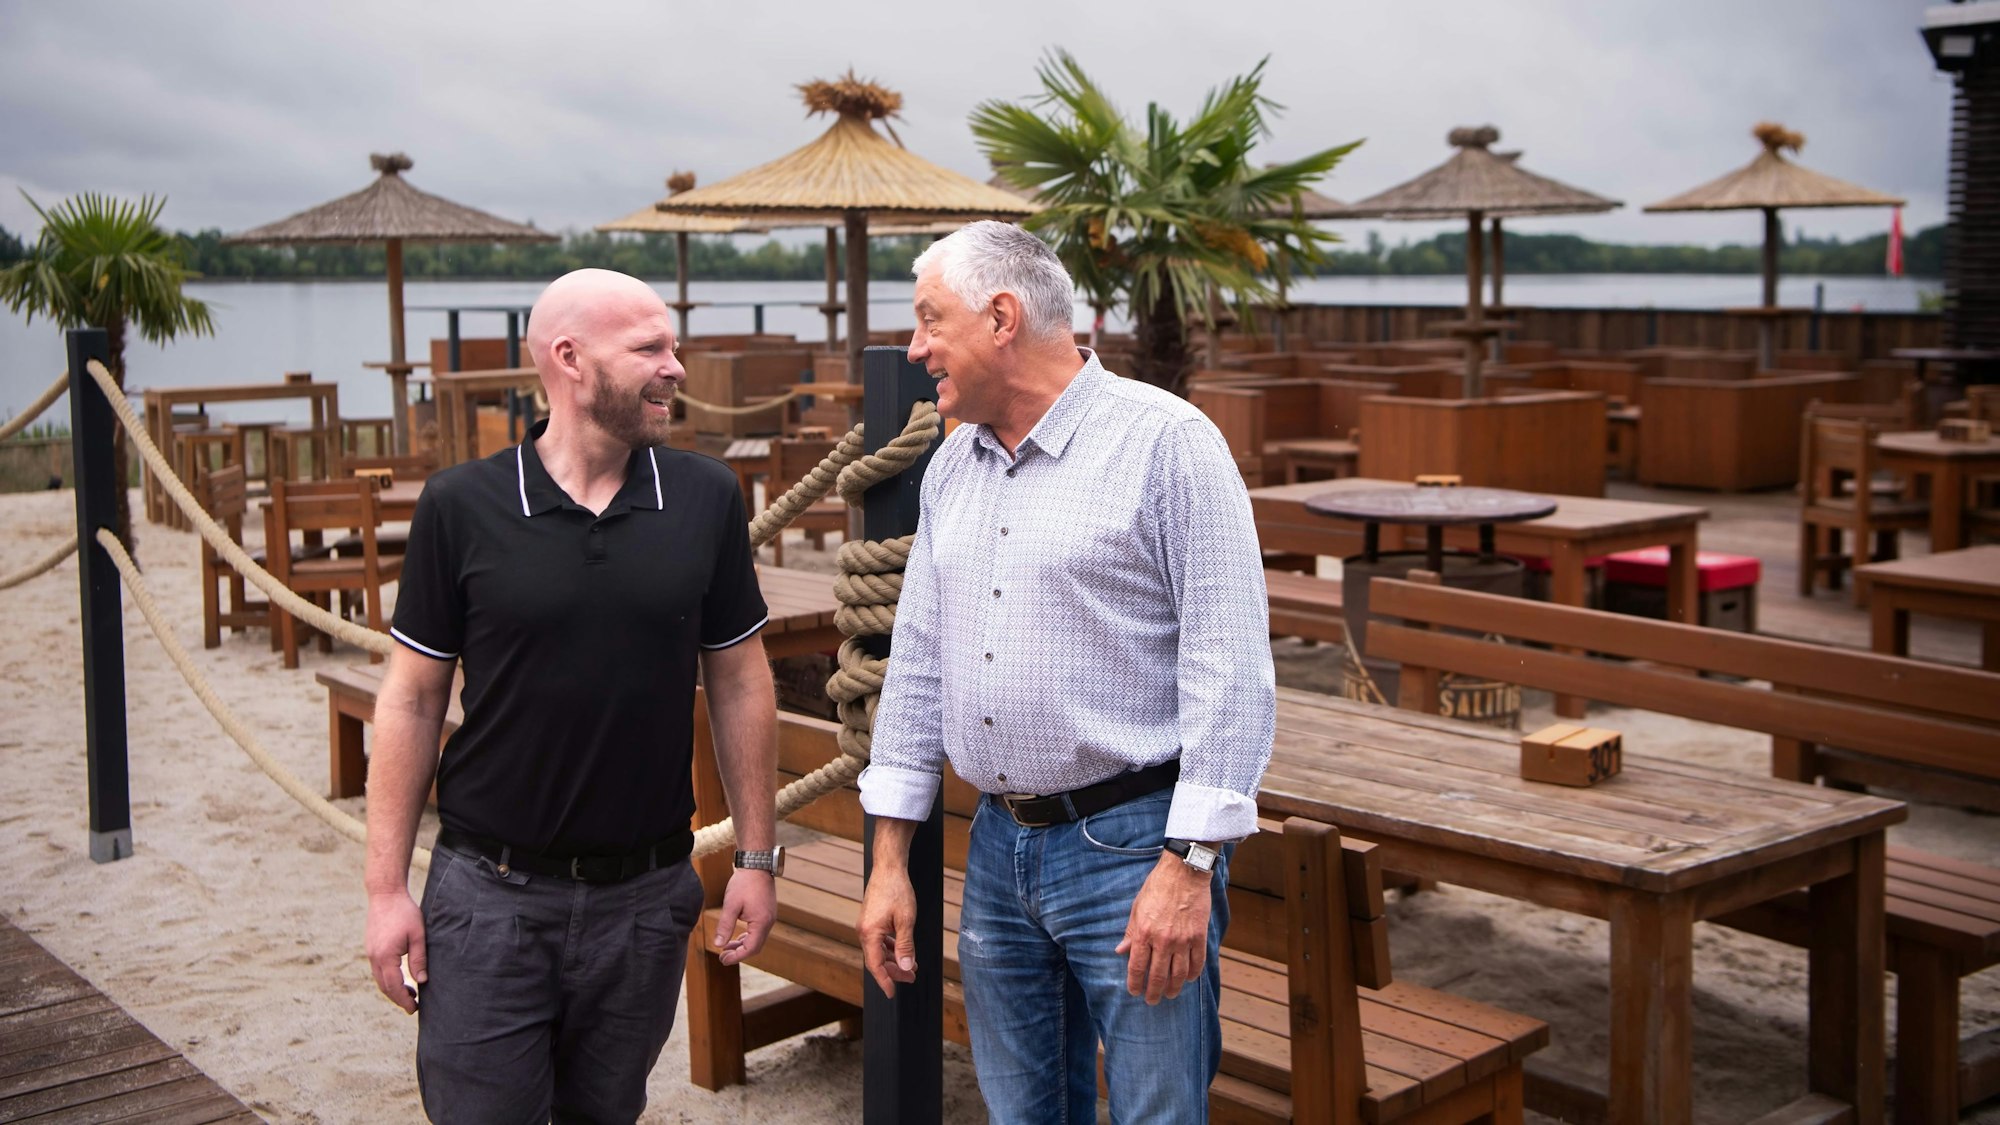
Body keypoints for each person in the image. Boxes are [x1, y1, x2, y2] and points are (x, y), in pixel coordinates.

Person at [856, 223, 1275, 1122]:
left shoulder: (1168, 443)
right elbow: (917, 667)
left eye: (930, 319)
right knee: (1023, 1114)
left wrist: (1190, 867)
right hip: (997, 845)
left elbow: (1232, 668)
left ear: (1002, 317)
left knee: (1158, 1114)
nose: (916, 347)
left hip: (1137, 849)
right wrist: (888, 863)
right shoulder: (951, 465)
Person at [362, 268, 780, 1124]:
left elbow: (740, 678)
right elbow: (410, 700)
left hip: (647, 901)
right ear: (570, 359)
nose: (676, 367)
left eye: (673, 346)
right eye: (650, 348)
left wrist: (757, 857)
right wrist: (385, 891)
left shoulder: (705, 496)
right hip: (489, 901)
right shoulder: (460, 505)